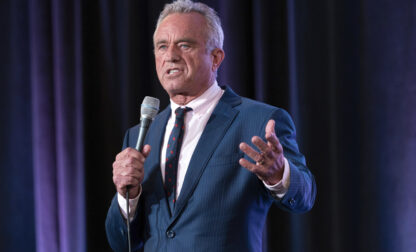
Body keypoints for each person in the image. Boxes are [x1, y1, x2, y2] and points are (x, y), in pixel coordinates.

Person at [106, 0, 316, 251]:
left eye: (184, 45)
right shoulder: (139, 136)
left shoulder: (259, 121)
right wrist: (126, 196)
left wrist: (280, 175)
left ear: (215, 57)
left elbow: (305, 197)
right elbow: (121, 241)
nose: (170, 55)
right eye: (162, 46)